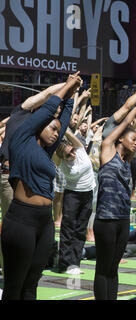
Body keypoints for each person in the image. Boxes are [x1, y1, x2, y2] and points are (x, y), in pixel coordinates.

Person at [1, 73, 81, 300]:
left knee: (32, 284)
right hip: (21, 220)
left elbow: (62, 119)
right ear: (38, 124)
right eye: (52, 128)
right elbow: (48, 110)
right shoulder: (21, 138)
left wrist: (72, 95)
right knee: (14, 286)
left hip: (44, 222)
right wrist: (67, 86)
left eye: (57, 131)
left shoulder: (45, 151)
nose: (57, 133)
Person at [93, 95, 136, 300]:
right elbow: (127, 123)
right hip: (106, 220)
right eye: (132, 140)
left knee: (113, 269)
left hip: (122, 219)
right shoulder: (108, 150)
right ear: (120, 138)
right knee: (103, 268)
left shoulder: (127, 159)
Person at [54, 129, 96, 274]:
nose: (72, 154)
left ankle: (75, 263)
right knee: (68, 229)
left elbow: (70, 136)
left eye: (72, 150)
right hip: (72, 195)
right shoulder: (60, 162)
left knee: (80, 230)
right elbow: (53, 150)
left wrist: (64, 129)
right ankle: (64, 264)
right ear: (62, 157)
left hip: (88, 194)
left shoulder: (80, 151)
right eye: (68, 154)